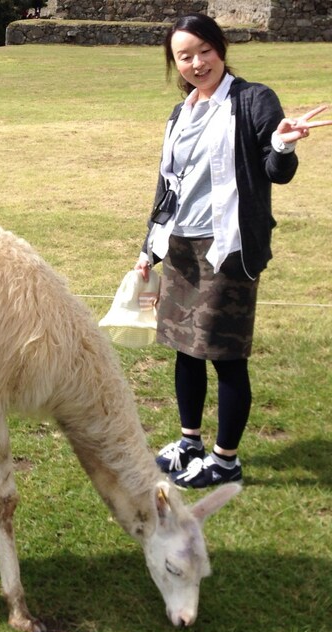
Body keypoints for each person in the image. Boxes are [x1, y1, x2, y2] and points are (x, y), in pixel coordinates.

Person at [134, 13, 332, 489]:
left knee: (225, 355)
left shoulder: (252, 99)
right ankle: (190, 443)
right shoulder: (181, 113)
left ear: (220, 49)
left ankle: (225, 460)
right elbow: (168, 186)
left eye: (205, 51)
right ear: (175, 63)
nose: (197, 63)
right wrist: (149, 248)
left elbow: (276, 172)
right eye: (185, 56)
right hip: (181, 246)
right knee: (184, 350)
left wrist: (282, 145)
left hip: (228, 248)